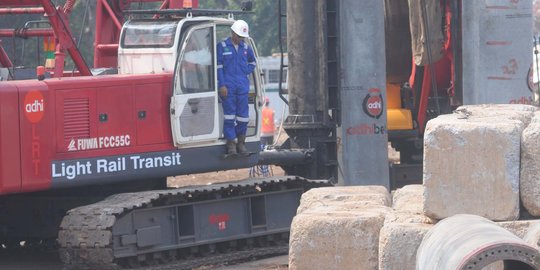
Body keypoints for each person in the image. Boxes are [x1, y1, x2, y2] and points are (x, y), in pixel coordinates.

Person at [217, 20, 257, 155]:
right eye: (238, 36)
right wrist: (221, 84)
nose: (240, 39)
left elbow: (253, 62)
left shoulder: (246, 48)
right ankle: (231, 144)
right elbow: (219, 67)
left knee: (243, 117)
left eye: (242, 37)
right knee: (229, 116)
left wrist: (245, 71)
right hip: (228, 87)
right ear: (232, 33)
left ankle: (241, 143)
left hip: (242, 87)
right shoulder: (222, 46)